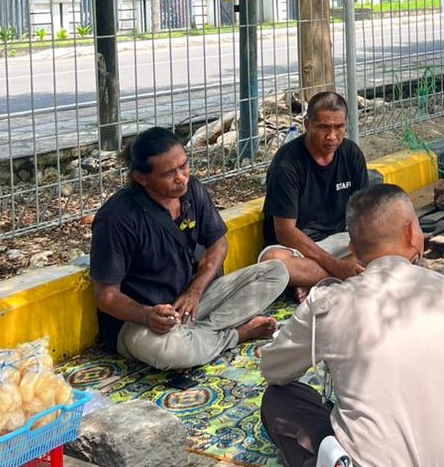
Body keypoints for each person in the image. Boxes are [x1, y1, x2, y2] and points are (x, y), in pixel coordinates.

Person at [259, 184, 444, 467]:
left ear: (353, 249)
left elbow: (274, 370)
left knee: (279, 400)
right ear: (410, 233)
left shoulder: (327, 304)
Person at [90, 127, 295, 371]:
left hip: (193, 301)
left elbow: (218, 244)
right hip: (141, 320)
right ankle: (235, 334)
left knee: (276, 272)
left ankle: (200, 333)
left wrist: (195, 291)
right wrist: (147, 315)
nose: (181, 177)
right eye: (169, 173)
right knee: (172, 353)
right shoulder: (116, 218)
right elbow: (106, 296)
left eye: (184, 166)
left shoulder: (192, 190)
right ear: (141, 178)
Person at [259, 92, 369, 292]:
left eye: (339, 127)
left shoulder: (352, 154)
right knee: (273, 263)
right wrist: (336, 266)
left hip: (339, 239)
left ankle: (311, 279)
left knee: (382, 242)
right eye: (324, 127)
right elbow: (285, 232)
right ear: (307, 125)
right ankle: (338, 274)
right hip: (296, 247)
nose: (332, 136)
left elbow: (364, 215)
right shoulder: (287, 164)